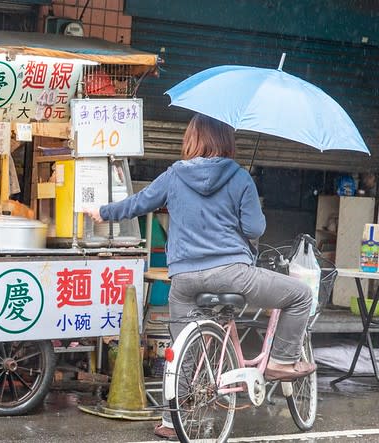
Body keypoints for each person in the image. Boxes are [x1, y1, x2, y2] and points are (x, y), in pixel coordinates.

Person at [85, 114, 314, 440]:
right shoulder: (240, 177)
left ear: (192, 139)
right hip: (233, 276)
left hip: (184, 279)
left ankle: (169, 420)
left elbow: (140, 203)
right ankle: (281, 360)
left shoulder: (174, 175)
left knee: (182, 350)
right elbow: (255, 229)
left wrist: (104, 212)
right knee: (300, 295)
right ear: (227, 140)